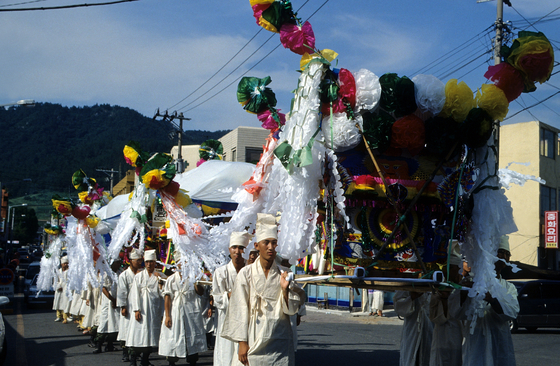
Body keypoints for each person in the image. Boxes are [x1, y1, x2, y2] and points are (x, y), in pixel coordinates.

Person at [221, 213, 305, 366]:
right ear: (256, 245)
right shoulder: (246, 274)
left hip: (278, 336)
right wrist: (242, 342)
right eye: (266, 243)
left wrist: (285, 290)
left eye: (274, 243)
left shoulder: (283, 274)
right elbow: (239, 308)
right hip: (253, 334)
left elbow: (292, 310)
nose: (271, 247)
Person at [461, 236, 519, 366]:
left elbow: (512, 312)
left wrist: (492, 300)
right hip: (476, 343)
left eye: (507, 254)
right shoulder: (474, 283)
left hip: (499, 342)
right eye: (500, 252)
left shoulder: (509, 288)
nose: (503, 256)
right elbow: (458, 313)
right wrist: (464, 293)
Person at [159, 250, 208, 366]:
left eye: (185, 261)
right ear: (177, 264)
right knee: (173, 336)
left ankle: (192, 360)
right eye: (180, 262)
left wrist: (196, 281)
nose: (183, 264)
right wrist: (167, 315)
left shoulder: (193, 276)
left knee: (192, 337)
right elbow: (167, 297)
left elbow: (200, 292)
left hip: (191, 310)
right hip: (176, 311)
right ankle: (172, 361)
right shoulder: (171, 279)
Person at [212, 231, 251, 366]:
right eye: (234, 247)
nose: (237, 251)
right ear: (229, 249)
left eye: (241, 248)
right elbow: (217, 299)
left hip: (247, 322)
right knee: (226, 357)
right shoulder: (220, 272)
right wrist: (230, 296)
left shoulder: (251, 270)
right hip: (226, 321)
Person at [429, 241, 464, 366]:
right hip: (441, 339)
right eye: (456, 268)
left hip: (457, 338)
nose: (459, 271)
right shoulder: (438, 288)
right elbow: (436, 317)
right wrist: (443, 300)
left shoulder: (461, 288)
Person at [126, 249, 164, 366]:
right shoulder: (139, 276)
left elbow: (163, 294)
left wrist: (160, 282)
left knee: (150, 336)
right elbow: (134, 294)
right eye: (147, 262)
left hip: (153, 310)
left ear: (155, 263)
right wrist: (136, 309)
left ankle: (145, 359)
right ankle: (133, 360)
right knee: (136, 334)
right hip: (141, 309)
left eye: (151, 262)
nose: (149, 264)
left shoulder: (160, 276)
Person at [117, 249, 144, 363]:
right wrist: (123, 306)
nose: (139, 263)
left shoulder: (141, 274)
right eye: (137, 261)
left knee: (136, 330)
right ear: (131, 261)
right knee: (126, 328)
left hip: (138, 305)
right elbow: (121, 292)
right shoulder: (124, 275)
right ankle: (125, 352)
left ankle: (136, 352)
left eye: (140, 260)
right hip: (128, 305)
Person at [394, 290, 433, 366]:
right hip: (413, 329)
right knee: (411, 357)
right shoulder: (408, 285)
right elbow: (399, 307)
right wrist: (412, 297)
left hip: (431, 329)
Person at [93, 258, 122, 354]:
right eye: (117, 262)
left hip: (117, 301)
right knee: (104, 323)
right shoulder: (105, 273)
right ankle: (98, 345)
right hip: (107, 302)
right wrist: (112, 299)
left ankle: (110, 344)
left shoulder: (119, 273)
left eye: (119, 262)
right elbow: (103, 288)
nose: (118, 264)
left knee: (115, 324)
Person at [52, 256, 71, 323]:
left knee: (65, 303)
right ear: (61, 264)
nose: (66, 264)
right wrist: (58, 286)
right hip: (59, 289)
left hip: (66, 289)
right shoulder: (58, 271)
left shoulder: (69, 271)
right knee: (58, 302)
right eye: (64, 263)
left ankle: (65, 317)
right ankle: (59, 316)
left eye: (67, 263)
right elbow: (55, 280)